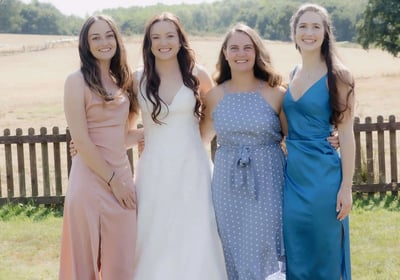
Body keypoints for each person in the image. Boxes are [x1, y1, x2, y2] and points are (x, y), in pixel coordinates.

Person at [132, 12, 227, 279]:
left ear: (180, 39)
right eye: (156, 37)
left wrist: (200, 141)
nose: (164, 42)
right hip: (154, 168)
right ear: (148, 43)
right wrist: (84, 144)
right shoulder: (137, 78)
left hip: (193, 165)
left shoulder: (198, 74)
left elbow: (216, 113)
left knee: (198, 230)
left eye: (170, 35)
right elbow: (120, 125)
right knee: (154, 231)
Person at [59, 14, 143, 280]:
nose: (103, 42)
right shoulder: (76, 80)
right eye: (95, 37)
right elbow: (81, 140)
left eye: (108, 35)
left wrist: (151, 136)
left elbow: (119, 137)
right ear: (86, 44)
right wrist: (112, 181)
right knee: (84, 265)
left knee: (123, 260)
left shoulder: (122, 81)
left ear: (117, 40)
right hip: (90, 181)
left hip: (122, 179)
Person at [200, 23, 287, 280]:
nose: (241, 53)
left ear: (256, 52)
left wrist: (332, 139)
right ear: (225, 53)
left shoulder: (276, 93)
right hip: (227, 185)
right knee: (232, 247)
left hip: (269, 180)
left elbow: (295, 139)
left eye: (247, 48)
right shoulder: (214, 96)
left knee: (268, 245)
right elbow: (198, 140)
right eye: (234, 48)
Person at [282, 3, 355, 280]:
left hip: (325, 179)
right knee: (297, 254)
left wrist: (346, 187)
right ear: (294, 33)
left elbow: (346, 133)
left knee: (326, 253)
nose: (308, 32)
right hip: (293, 179)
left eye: (316, 26)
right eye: (302, 26)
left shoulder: (339, 76)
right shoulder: (291, 74)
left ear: (326, 32)